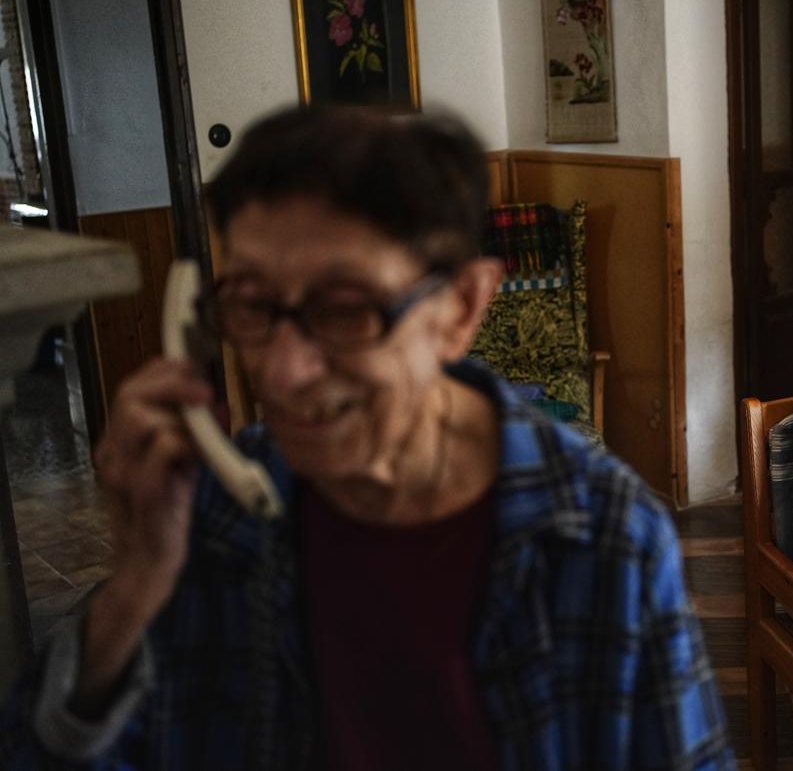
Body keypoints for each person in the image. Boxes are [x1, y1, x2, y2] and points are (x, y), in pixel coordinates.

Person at [0, 105, 733, 770]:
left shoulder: (604, 536)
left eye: (346, 309)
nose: (281, 374)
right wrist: (134, 587)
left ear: (461, 307)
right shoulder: (217, 507)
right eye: (251, 304)